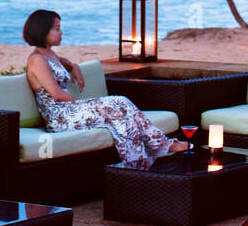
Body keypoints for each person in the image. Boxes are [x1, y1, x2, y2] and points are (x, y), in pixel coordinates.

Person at [23, 9, 188, 169]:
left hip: (69, 111)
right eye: (57, 29)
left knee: (121, 110)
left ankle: (137, 162)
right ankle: (159, 147)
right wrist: (83, 104)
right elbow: (56, 94)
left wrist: (74, 67)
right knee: (118, 103)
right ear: (43, 32)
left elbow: (63, 61)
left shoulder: (49, 54)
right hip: (59, 117)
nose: (61, 33)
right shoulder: (36, 60)